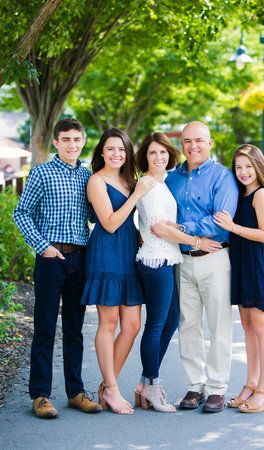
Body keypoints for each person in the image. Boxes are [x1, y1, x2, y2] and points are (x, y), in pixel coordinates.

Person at [13, 118, 101, 419]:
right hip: (52, 259)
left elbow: (93, 214)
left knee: (75, 329)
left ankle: (75, 392)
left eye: (77, 139)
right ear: (56, 142)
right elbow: (22, 213)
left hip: (81, 259)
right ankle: (40, 395)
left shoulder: (88, 176)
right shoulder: (41, 172)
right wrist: (44, 248)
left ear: (84, 140)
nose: (72, 145)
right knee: (46, 328)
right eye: (66, 140)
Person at [163, 121, 239, 413]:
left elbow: (220, 221)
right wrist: (187, 237)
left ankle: (217, 388)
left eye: (198, 141)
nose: (192, 146)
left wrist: (180, 228)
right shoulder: (172, 180)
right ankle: (195, 385)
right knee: (189, 325)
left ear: (210, 143)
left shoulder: (223, 176)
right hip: (182, 261)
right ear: (181, 145)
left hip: (216, 259)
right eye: (187, 141)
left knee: (218, 325)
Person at [134, 132, 211, 412]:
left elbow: (168, 226)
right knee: (156, 324)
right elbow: (159, 228)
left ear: (170, 155)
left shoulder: (162, 182)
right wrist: (196, 241)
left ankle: (145, 383)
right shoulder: (148, 184)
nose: (159, 157)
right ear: (145, 156)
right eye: (153, 153)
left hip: (167, 258)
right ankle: (152, 385)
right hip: (155, 260)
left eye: (163, 153)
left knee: (169, 322)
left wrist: (176, 229)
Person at [81, 127, 155, 415]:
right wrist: (136, 195)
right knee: (109, 323)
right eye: (111, 149)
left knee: (133, 325)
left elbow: (127, 221)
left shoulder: (128, 180)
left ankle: (105, 386)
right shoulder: (96, 181)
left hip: (128, 253)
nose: (116, 154)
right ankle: (112, 389)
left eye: (122, 149)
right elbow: (110, 223)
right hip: (106, 253)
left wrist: (139, 233)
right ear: (101, 152)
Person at [214, 144, 264, 413]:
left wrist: (233, 227)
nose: (243, 172)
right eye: (239, 167)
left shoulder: (260, 194)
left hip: (256, 263)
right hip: (238, 263)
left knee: (260, 327)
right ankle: (250, 384)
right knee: (248, 327)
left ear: (258, 167)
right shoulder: (238, 194)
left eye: (248, 166)